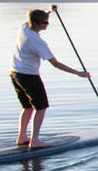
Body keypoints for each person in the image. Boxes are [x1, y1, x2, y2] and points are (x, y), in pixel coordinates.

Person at [10, 9, 89, 148]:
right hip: (29, 76)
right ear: (35, 23)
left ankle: (22, 137)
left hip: (15, 73)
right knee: (41, 107)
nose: (48, 24)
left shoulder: (24, 28)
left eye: (47, 21)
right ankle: (34, 141)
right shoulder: (37, 41)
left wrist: (49, 11)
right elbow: (55, 63)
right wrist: (78, 73)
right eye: (45, 22)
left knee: (27, 107)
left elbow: (34, 16)